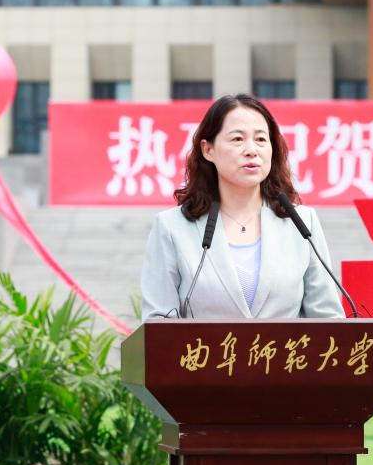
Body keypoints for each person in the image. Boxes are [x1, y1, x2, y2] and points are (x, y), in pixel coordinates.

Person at [141, 94, 345, 320]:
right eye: (238, 139)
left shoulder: (302, 223)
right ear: (208, 150)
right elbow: (158, 322)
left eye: (261, 139)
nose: (251, 150)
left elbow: (328, 319)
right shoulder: (172, 227)